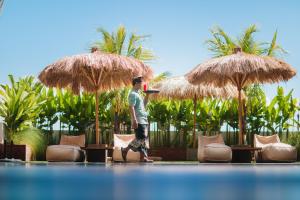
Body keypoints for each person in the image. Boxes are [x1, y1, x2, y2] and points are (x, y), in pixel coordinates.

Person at [121, 76, 153, 162]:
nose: (142, 85)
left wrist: (147, 95)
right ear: (137, 83)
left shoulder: (138, 93)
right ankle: (125, 149)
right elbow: (131, 107)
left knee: (144, 139)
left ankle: (143, 157)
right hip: (138, 119)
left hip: (143, 118)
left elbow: (144, 105)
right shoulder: (132, 94)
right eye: (141, 83)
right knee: (141, 138)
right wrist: (134, 120)